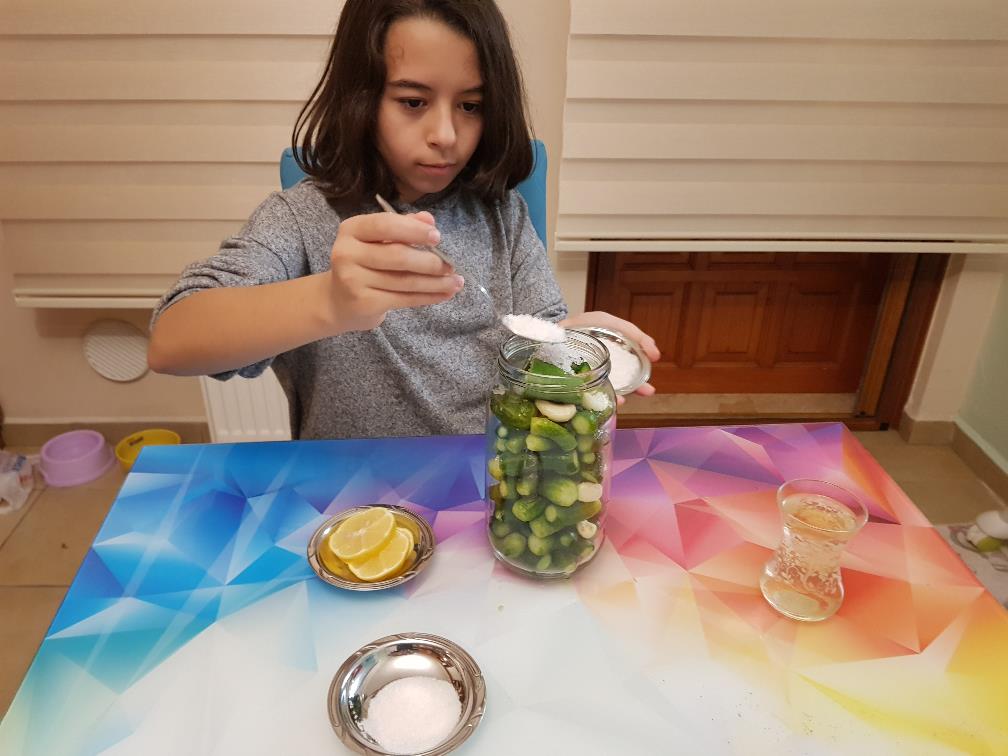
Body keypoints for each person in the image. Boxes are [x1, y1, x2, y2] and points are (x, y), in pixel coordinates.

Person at [148, 0, 659, 440]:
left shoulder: (503, 213)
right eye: (413, 102)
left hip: (489, 475)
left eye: (471, 106)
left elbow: (537, 334)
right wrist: (330, 301)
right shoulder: (300, 219)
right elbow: (171, 342)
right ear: (361, 99)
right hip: (354, 492)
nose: (446, 135)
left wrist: (572, 343)